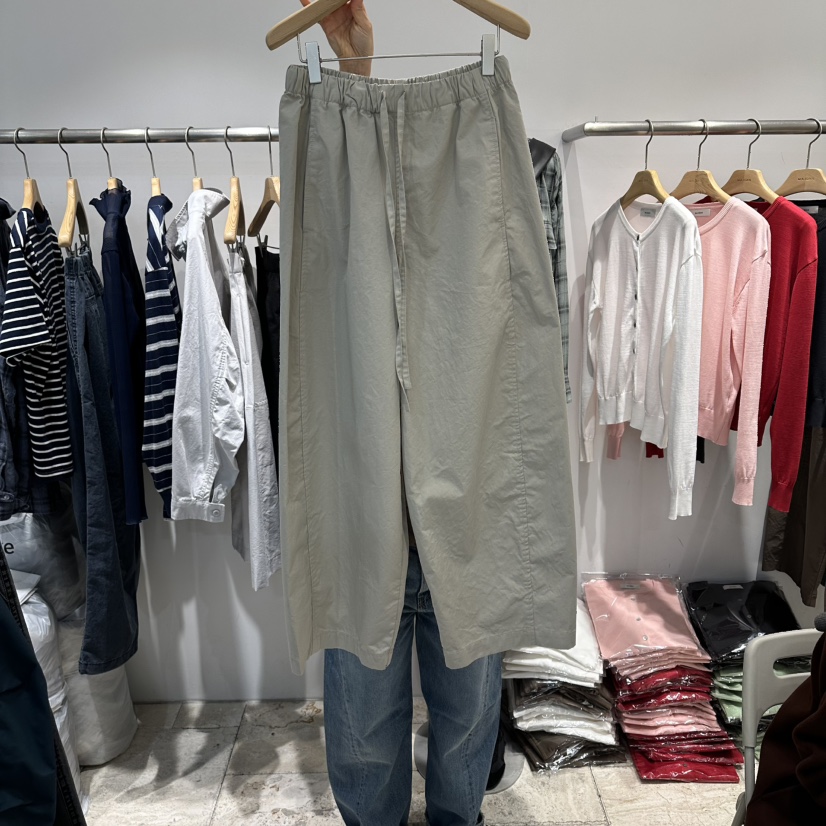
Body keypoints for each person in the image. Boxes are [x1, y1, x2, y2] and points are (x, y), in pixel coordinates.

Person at [296, 2, 502, 824]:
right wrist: (356, 77)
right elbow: (354, 263)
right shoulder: (337, 188)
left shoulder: (486, 170)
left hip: (463, 511)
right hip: (367, 515)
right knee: (362, 734)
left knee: (466, 728)